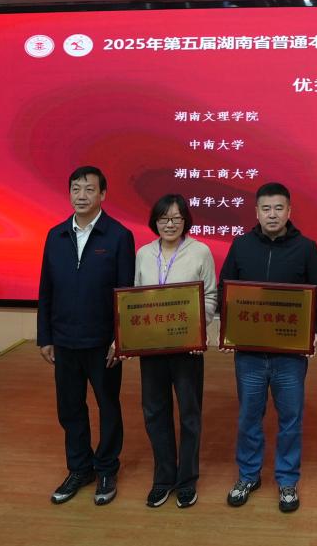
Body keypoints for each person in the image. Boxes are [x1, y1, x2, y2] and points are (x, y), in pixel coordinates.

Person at [218, 182, 317, 513]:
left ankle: (287, 480)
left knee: (290, 419)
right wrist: (232, 330)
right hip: (250, 354)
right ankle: (248, 476)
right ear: (256, 212)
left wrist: (308, 328)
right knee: (249, 418)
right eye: (266, 209)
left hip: (289, 355)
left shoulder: (305, 248)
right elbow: (226, 291)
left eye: (279, 208)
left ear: (289, 211)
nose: (272, 214)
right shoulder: (241, 246)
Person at [37, 165, 135, 506]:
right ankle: (79, 468)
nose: (81, 195)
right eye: (76, 189)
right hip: (64, 340)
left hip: (102, 343)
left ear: (103, 194)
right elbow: (46, 290)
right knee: (70, 408)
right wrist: (45, 336)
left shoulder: (118, 236)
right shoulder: (56, 235)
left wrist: (120, 340)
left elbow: (126, 291)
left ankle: (106, 468)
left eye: (89, 189)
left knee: (108, 406)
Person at [133, 194, 216, 509]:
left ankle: (187, 480)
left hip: (186, 349)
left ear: (186, 220)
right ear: (155, 221)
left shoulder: (200, 251)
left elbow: (210, 296)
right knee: (155, 413)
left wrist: (196, 331)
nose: (170, 224)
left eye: (176, 218)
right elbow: (134, 299)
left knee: (189, 414)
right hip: (152, 347)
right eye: (164, 218)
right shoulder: (143, 253)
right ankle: (163, 479)